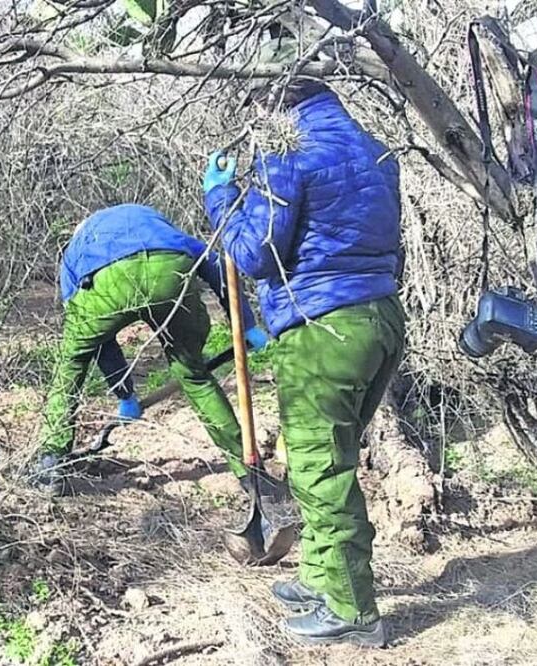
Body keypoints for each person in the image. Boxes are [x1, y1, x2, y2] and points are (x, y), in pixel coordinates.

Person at [204, 81, 405, 648]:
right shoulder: (376, 150)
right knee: (327, 458)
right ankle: (320, 577)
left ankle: (352, 611)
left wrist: (221, 198)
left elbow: (253, 254)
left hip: (322, 331)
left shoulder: (288, 152)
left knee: (322, 471)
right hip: (379, 318)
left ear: (276, 101)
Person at [32, 203, 268, 495]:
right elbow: (216, 264)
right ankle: (252, 475)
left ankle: (50, 463)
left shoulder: (74, 255)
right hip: (169, 270)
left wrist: (125, 393)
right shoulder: (155, 224)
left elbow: (99, 344)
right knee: (194, 375)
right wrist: (245, 323)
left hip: (103, 288)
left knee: (71, 365)